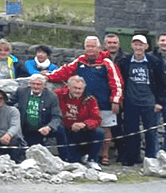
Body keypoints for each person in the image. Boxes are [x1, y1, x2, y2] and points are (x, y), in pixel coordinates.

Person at [46, 36, 123, 165]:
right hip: (83, 101)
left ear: (99, 47)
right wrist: (48, 77)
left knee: (105, 130)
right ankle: (87, 155)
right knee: (84, 128)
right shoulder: (80, 60)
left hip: (104, 102)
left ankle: (104, 155)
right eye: (88, 46)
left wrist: (115, 100)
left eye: (93, 46)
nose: (90, 49)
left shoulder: (107, 62)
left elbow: (116, 82)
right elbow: (65, 71)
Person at [116, 34, 165, 165]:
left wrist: (159, 102)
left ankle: (150, 158)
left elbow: (161, 83)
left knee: (150, 131)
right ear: (132, 46)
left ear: (146, 46)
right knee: (131, 131)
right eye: (136, 44)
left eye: (141, 44)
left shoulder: (154, 62)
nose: (138, 47)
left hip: (149, 102)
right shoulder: (124, 61)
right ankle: (132, 158)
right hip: (131, 102)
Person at [55, 76, 104, 164]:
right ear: (68, 87)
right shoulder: (59, 95)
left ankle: (92, 160)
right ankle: (65, 158)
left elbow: (97, 119)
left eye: (80, 89)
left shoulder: (90, 99)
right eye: (75, 88)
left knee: (99, 132)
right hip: (66, 130)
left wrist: (84, 124)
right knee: (73, 160)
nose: (77, 91)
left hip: (82, 130)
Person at [12, 74, 62, 148]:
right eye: (33, 84)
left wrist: (49, 127)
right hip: (23, 129)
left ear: (44, 86)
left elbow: (57, 117)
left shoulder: (52, 97)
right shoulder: (21, 92)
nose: (36, 86)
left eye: (39, 84)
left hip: (41, 131)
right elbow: (8, 102)